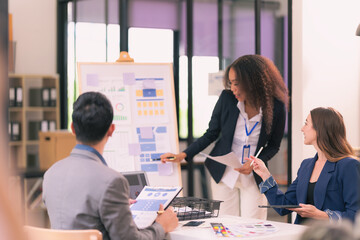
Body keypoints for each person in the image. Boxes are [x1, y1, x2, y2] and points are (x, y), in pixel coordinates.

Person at [161, 54, 289, 219]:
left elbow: (273, 146)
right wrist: (183, 155)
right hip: (224, 172)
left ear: (253, 82)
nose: (233, 88)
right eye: (231, 83)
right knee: (226, 223)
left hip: (253, 175)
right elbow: (211, 133)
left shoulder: (276, 107)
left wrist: (256, 162)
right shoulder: (227, 99)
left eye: (237, 83)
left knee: (255, 225)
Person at [43, 92, 178, 240]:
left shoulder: (51, 173)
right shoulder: (111, 181)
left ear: (73, 129)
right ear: (111, 130)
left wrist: (115, 204)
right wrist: (161, 226)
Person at [252, 107, 360, 224]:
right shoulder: (306, 165)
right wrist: (265, 175)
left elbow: (355, 215)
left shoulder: (349, 166)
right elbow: (283, 207)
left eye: (306, 124)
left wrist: (323, 216)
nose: (302, 129)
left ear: (320, 129)